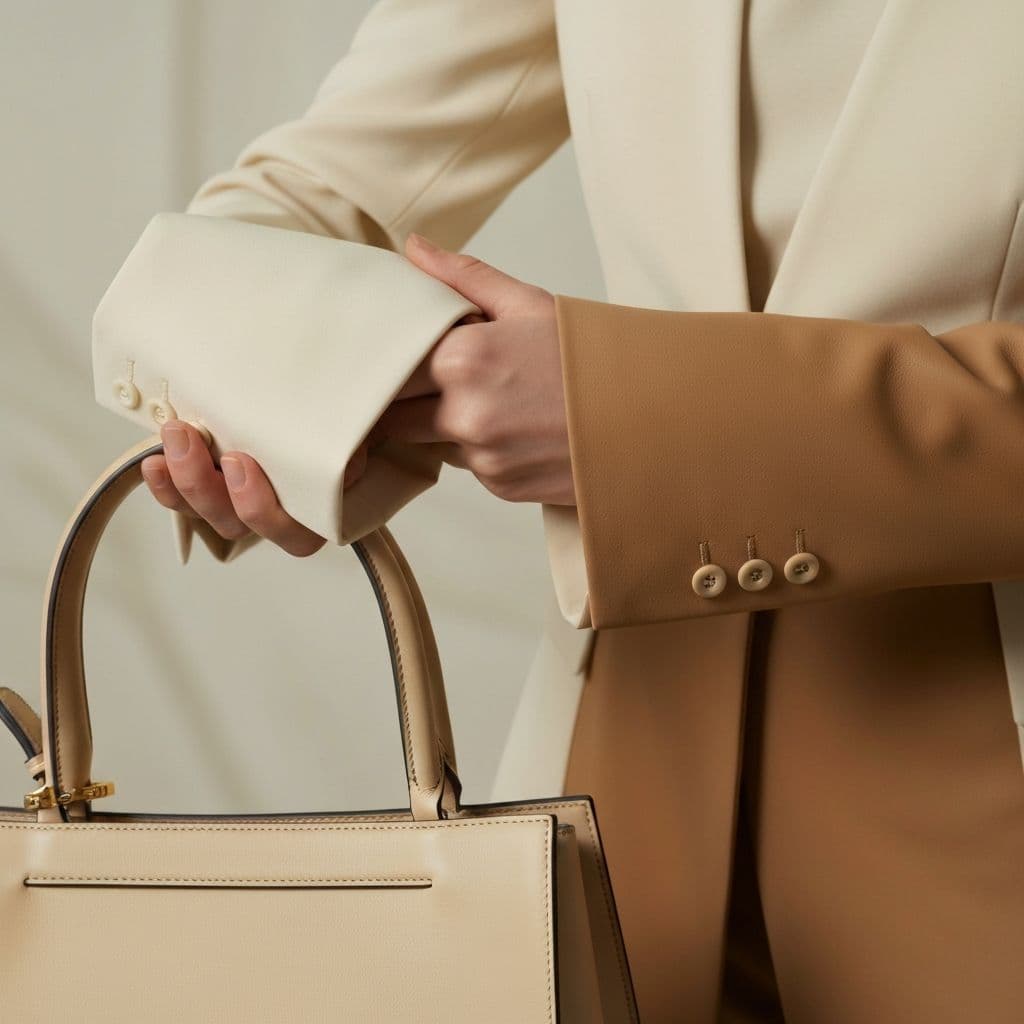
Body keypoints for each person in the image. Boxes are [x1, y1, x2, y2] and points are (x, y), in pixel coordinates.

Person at [125, 1, 1024, 1020]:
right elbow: (301, 200)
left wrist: (628, 409)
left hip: (990, 777)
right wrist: (324, 391)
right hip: (621, 762)